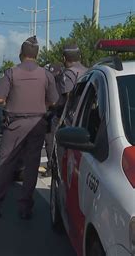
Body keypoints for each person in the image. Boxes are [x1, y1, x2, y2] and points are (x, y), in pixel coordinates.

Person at [0, 36, 59, 220]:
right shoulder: (46, 75)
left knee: (5, 164)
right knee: (31, 166)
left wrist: (12, 102)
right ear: (37, 55)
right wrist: (41, 104)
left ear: (21, 54)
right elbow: (54, 101)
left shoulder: (11, 73)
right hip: (37, 125)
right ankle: (25, 208)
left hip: (14, 125)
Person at [42, 44, 87, 177]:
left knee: (52, 133)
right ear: (80, 56)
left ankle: (54, 167)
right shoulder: (89, 71)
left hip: (70, 120)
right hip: (86, 118)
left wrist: (51, 107)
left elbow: (65, 98)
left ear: (63, 58)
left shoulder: (68, 74)